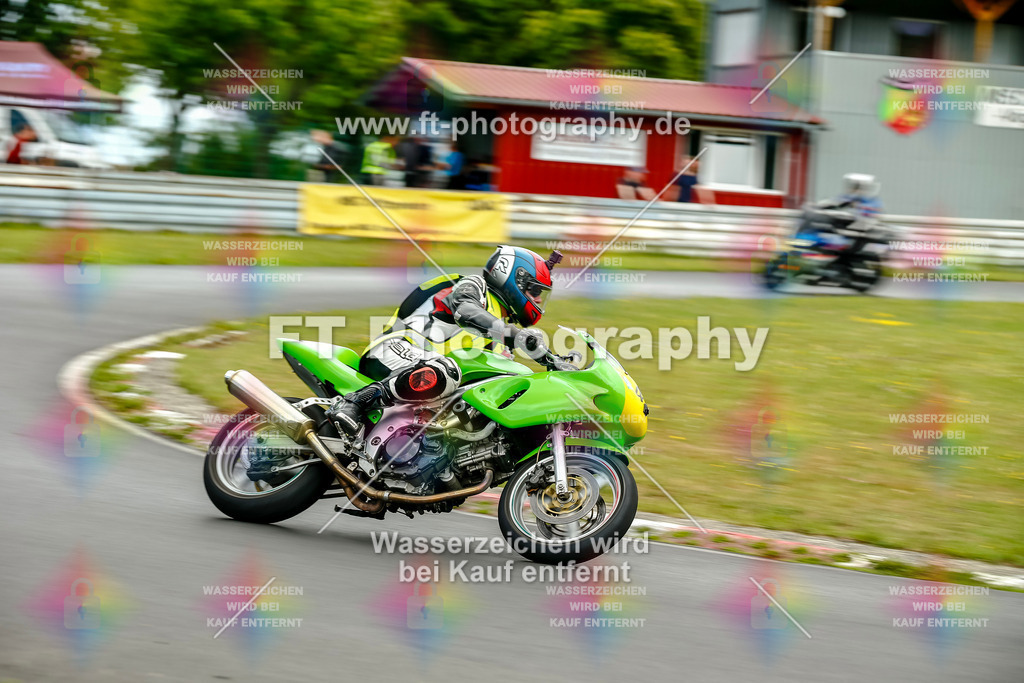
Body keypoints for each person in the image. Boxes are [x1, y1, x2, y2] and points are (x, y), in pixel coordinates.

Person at [326, 246, 562, 435]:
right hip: (395, 349)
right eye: (534, 291)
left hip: (426, 381)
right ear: (511, 277)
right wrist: (516, 336)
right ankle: (353, 403)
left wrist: (553, 363)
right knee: (447, 370)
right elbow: (466, 311)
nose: (539, 301)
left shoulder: (499, 328)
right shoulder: (473, 286)